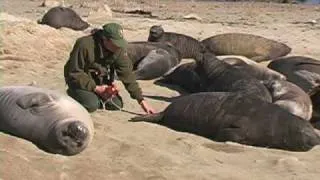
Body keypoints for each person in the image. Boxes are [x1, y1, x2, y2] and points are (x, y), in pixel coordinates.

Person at [64, 22, 155, 114]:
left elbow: (127, 75)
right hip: (79, 81)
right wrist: (95, 88)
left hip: (100, 82)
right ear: (105, 39)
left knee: (116, 105)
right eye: (115, 43)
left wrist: (141, 101)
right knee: (91, 105)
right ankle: (73, 94)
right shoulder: (84, 45)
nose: (118, 46)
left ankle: (93, 97)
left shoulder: (118, 49)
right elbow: (74, 72)